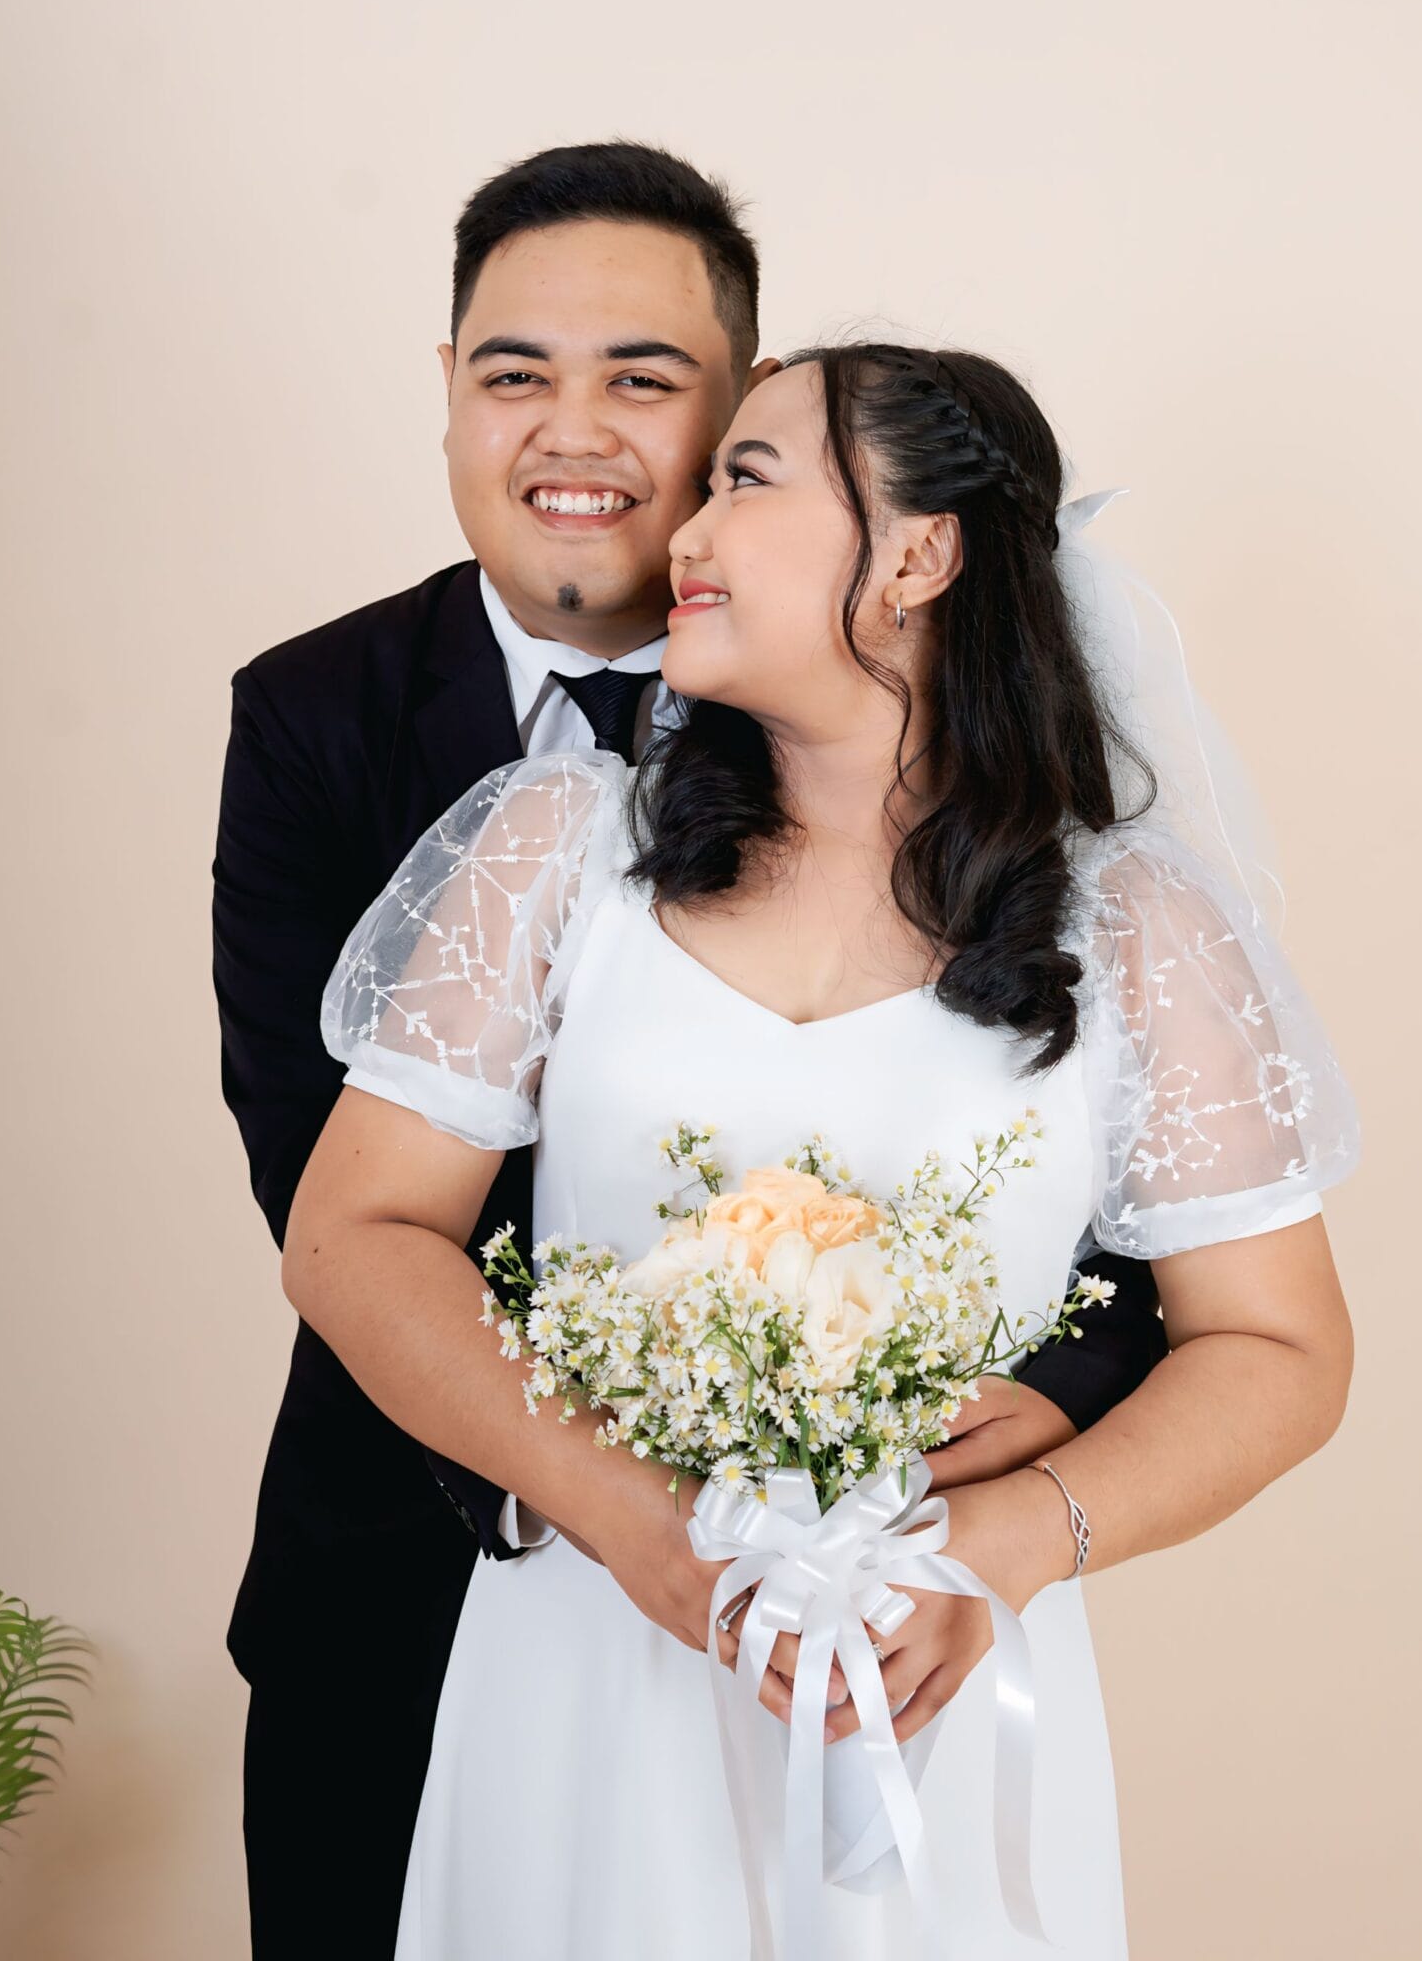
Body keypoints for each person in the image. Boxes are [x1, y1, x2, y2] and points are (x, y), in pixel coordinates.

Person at [284, 340, 1359, 1960]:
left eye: (745, 478)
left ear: (916, 557)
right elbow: (352, 1236)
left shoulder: (1135, 925)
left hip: (927, 1674)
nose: (685, 533)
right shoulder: (558, 847)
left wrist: (998, 1545)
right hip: (591, 1656)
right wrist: (643, 1530)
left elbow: (1281, 1349)